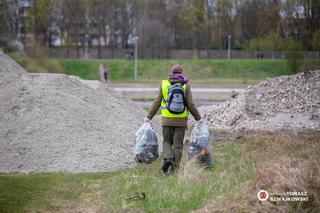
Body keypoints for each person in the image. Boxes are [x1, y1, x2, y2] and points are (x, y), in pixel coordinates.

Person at [145, 64, 201, 174]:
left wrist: (148, 117)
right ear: (182, 73)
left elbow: (156, 102)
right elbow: (190, 105)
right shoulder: (185, 86)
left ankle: (168, 158)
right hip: (181, 121)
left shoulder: (164, 84)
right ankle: (175, 169)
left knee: (166, 141)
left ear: (171, 72)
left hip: (166, 120)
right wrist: (198, 119)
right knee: (178, 145)